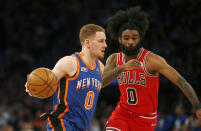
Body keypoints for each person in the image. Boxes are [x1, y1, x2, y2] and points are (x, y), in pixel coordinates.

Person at [102, 6, 201, 131]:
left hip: (146, 119)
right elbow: (100, 82)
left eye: (134, 38)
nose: (131, 41)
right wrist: (122, 68)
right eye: (126, 38)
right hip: (123, 113)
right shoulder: (114, 59)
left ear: (140, 39)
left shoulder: (151, 60)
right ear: (119, 39)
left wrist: (197, 105)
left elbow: (181, 82)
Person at [25, 24, 107, 131]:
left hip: (83, 128)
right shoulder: (70, 62)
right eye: (101, 41)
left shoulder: (100, 67)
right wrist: (33, 85)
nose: (105, 45)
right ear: (87, 42)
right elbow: (48, 79)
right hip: (63, 123)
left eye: (105, 41)